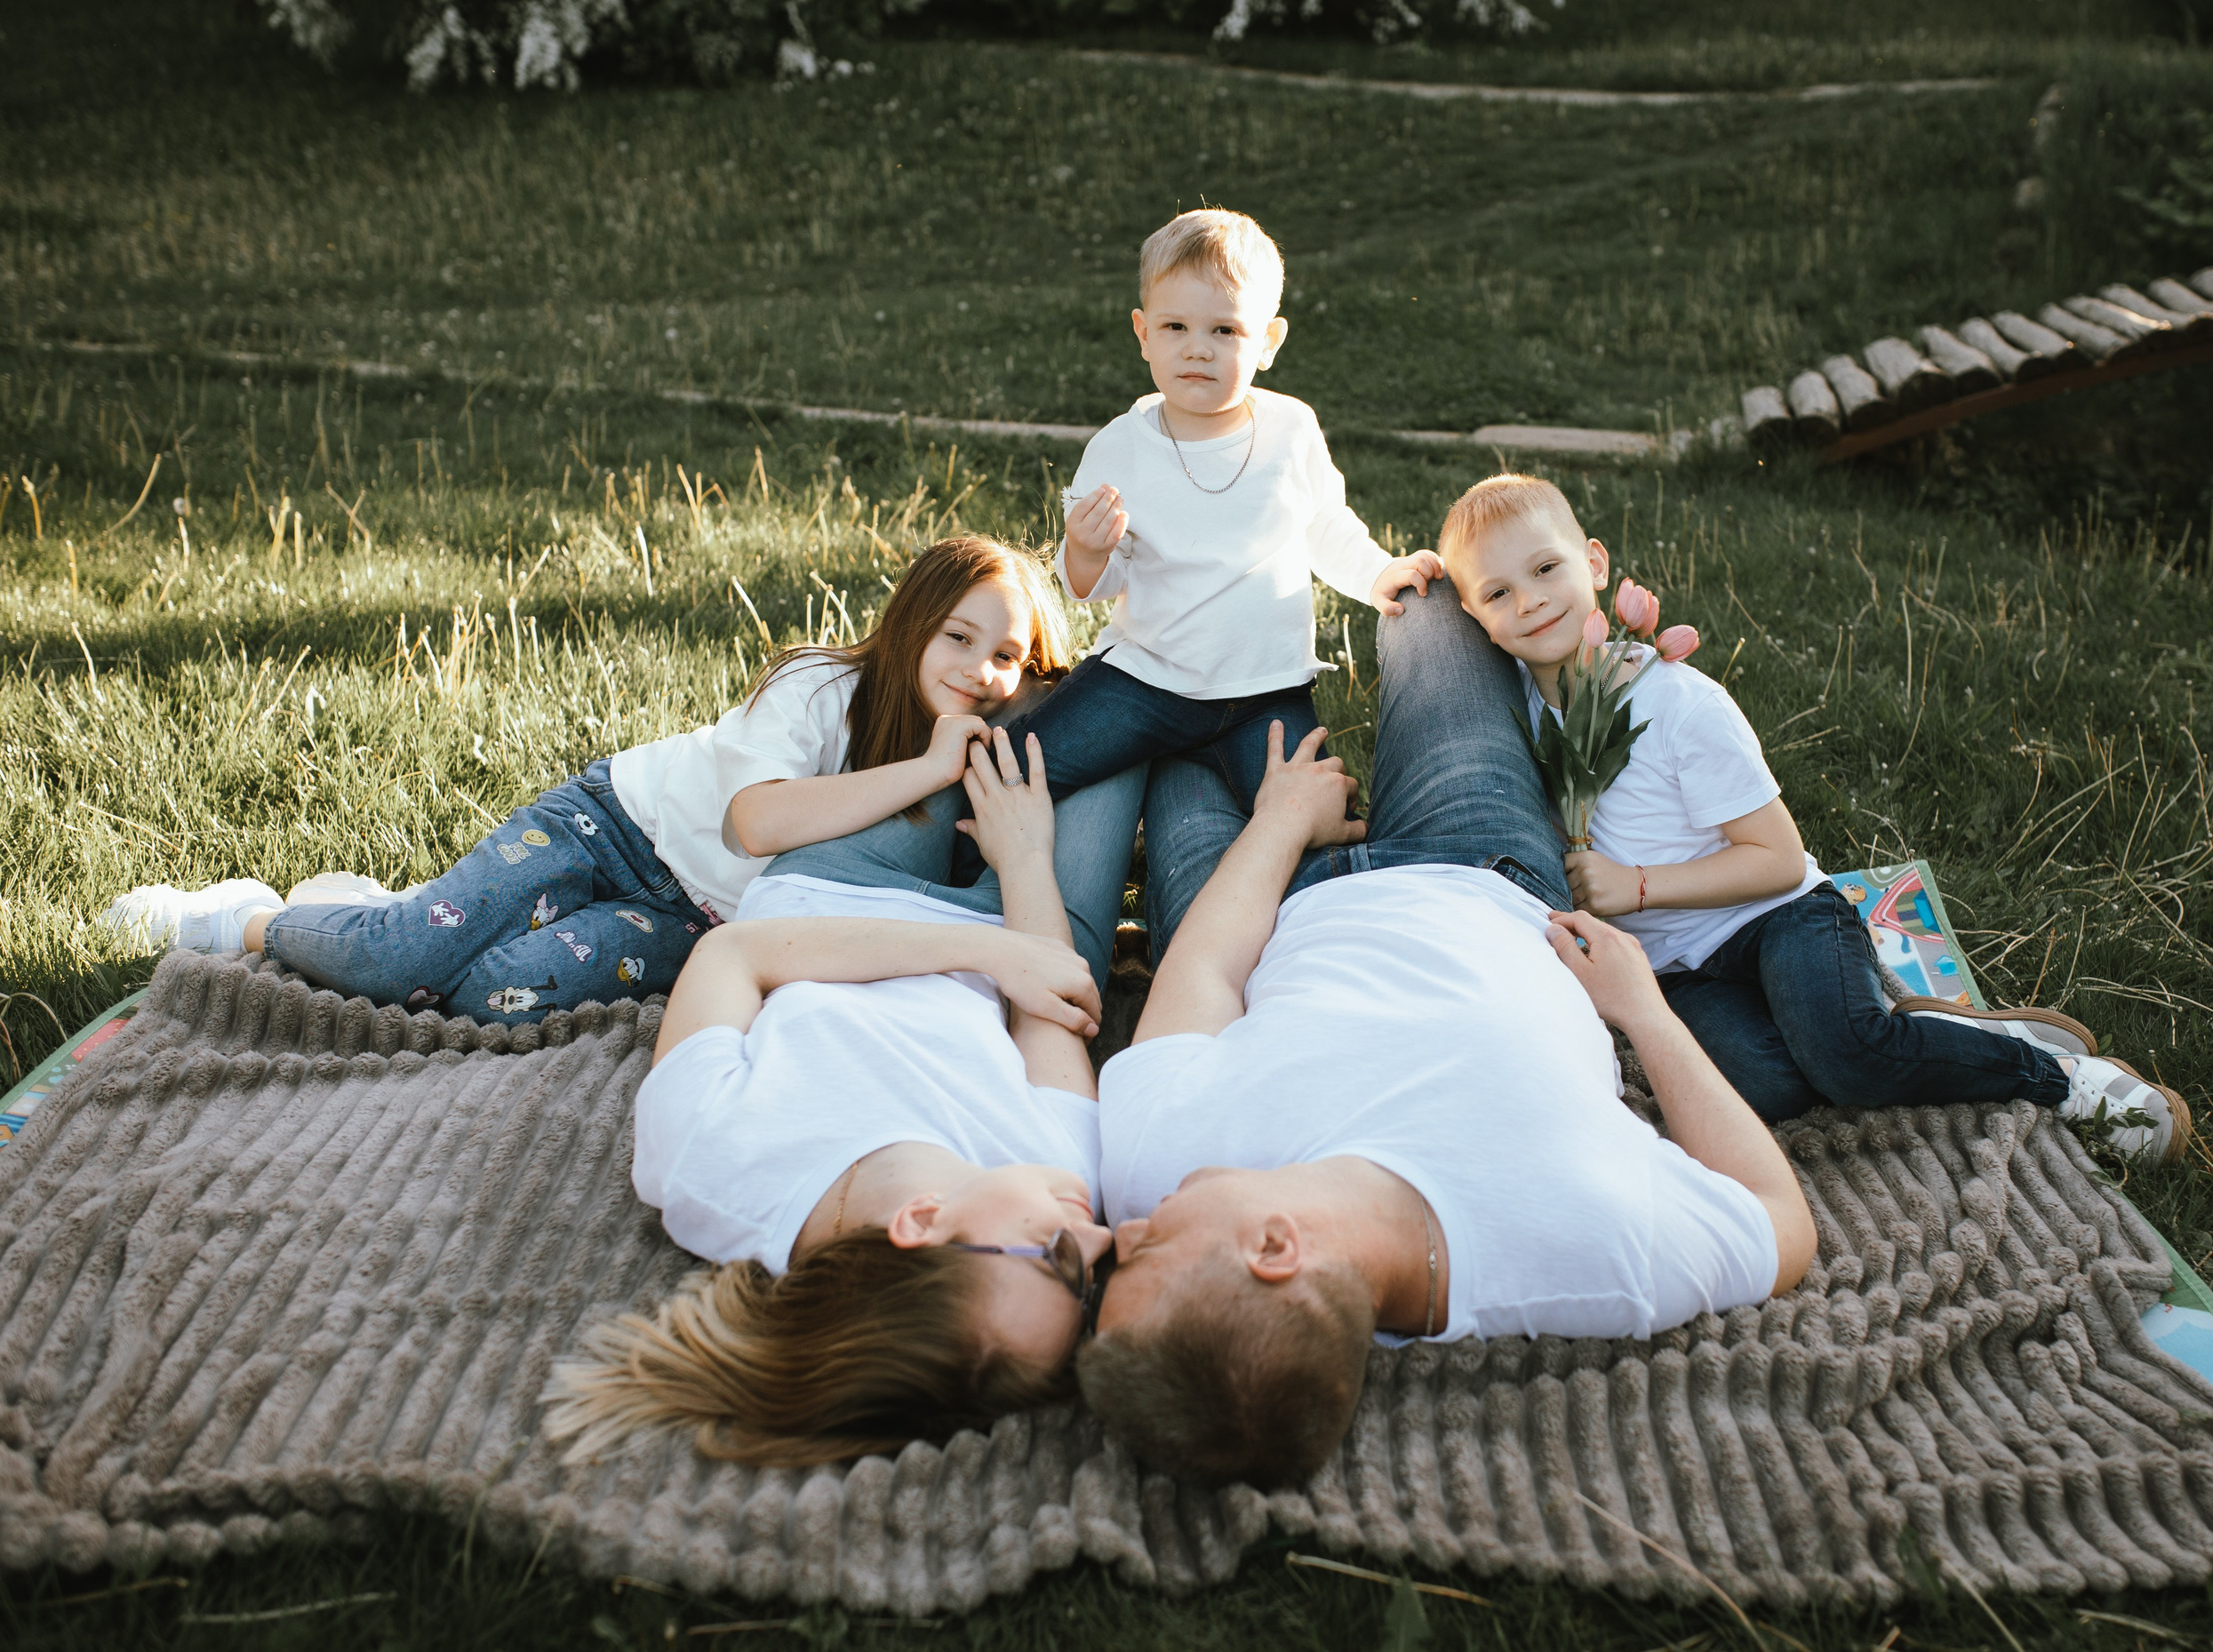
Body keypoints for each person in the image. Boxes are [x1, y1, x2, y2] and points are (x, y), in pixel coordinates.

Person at [1076, 578, 1819, 1490]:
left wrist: (1278, 825)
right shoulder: (1600, 1252)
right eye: (1147, 1251)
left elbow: (1203, 972)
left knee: (1191, 699)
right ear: (1274, 1248)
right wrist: (1644, 1014)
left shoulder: (1156, 1167)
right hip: (1481, 868)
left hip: (1256, 904)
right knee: (1437, 619)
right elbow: (1782, 1224)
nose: (1122, 1234)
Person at [1434, 473, 2188, 1162]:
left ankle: (2057, 1077)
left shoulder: (1676, 702)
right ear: (1473, 617)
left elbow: (1779, 859)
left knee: (1848, 1057)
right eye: (1496, 594)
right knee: (1771, 1089)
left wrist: (1634, 886)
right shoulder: (1522, 716)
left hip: (1778, 914)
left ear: (1593, 564)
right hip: (1680, 971)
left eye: (1545, 569)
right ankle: (1936, 1033)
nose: (1529, 601)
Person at [98, 534, 1078, 1025]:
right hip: (616, 824)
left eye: (1006, 657)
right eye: (959, 637)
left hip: (697, 920)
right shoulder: (823, 687)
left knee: (492, 992)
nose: (980, 671)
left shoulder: (971, 755)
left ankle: (381, 914)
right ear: (914, 621)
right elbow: (753, 823)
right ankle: (244, 919)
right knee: (405, 959)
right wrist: (919, 765)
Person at [543, 730, 1138, 1467]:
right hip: (1028, 924)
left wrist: (983, 954)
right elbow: (1052, 996)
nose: (1102, 1242)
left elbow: (733, 953)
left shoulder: (708, 1166)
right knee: (1113, 720)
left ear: (921, 1223)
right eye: (1088, 1297)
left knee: (982, 717)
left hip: (833, 899)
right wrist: (1020, 860)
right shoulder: (1062, 1175)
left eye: (1057, 1259)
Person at [968, 209, 1440, 877]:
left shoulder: (1290, 429)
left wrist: (1376, 574)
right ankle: (948, 856)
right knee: (1019, 761)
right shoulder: (1120, 446)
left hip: (1265, 690)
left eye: (1225, 330)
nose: (1198, 348)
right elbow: (1088, 586)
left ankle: (1339, 908)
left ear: (1269, 340)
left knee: (1311, 820)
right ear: (1143, 334)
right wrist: (1089, 549)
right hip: (1147, 676)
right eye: (1176, 328)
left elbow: (1325, 525)